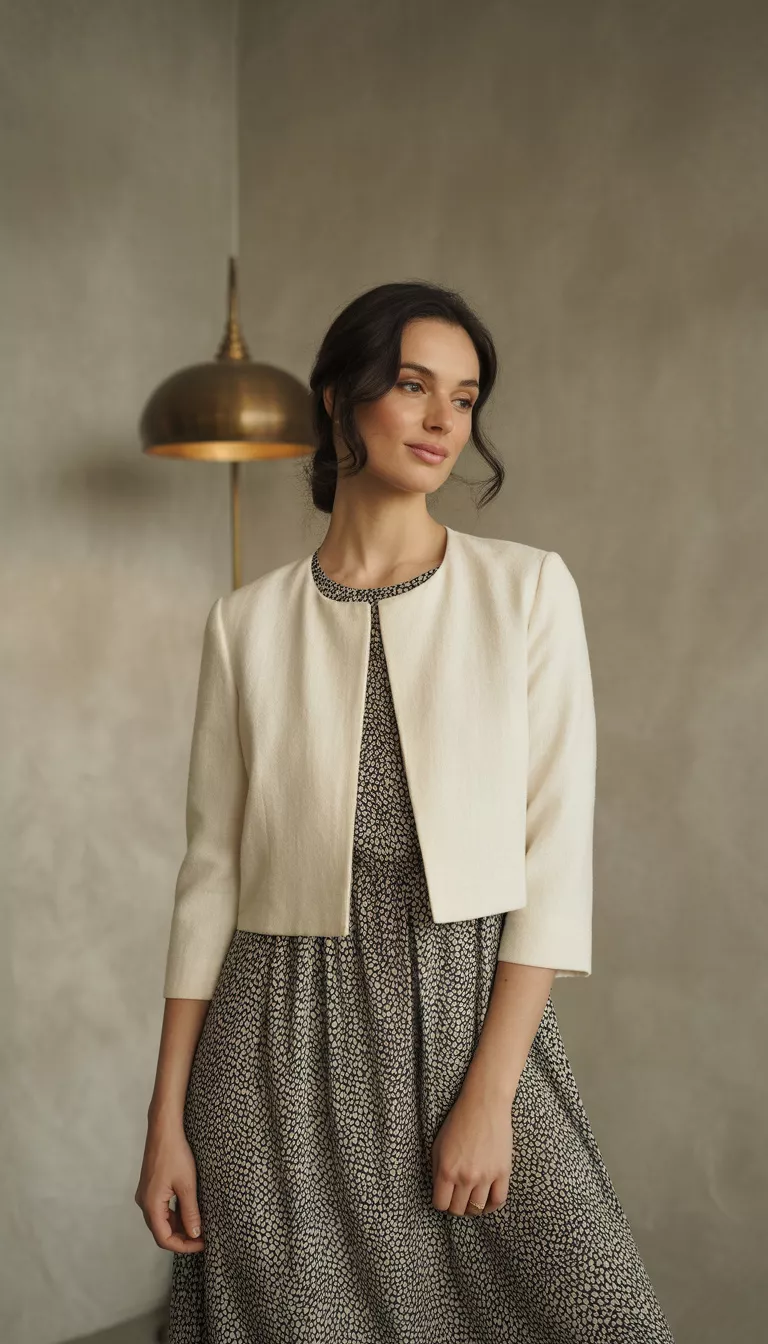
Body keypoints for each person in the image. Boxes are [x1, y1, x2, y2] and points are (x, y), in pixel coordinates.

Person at [135, 280, 676, 1342]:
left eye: (465, 398)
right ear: (340, 397)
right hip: (273, 1036)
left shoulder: (525, 590)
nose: (442, 421)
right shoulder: (246, 624)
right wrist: (165, 1124)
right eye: (413, 385)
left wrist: (489, 1096)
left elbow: (554, 856)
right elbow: (210, 878)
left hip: (467, 1010)